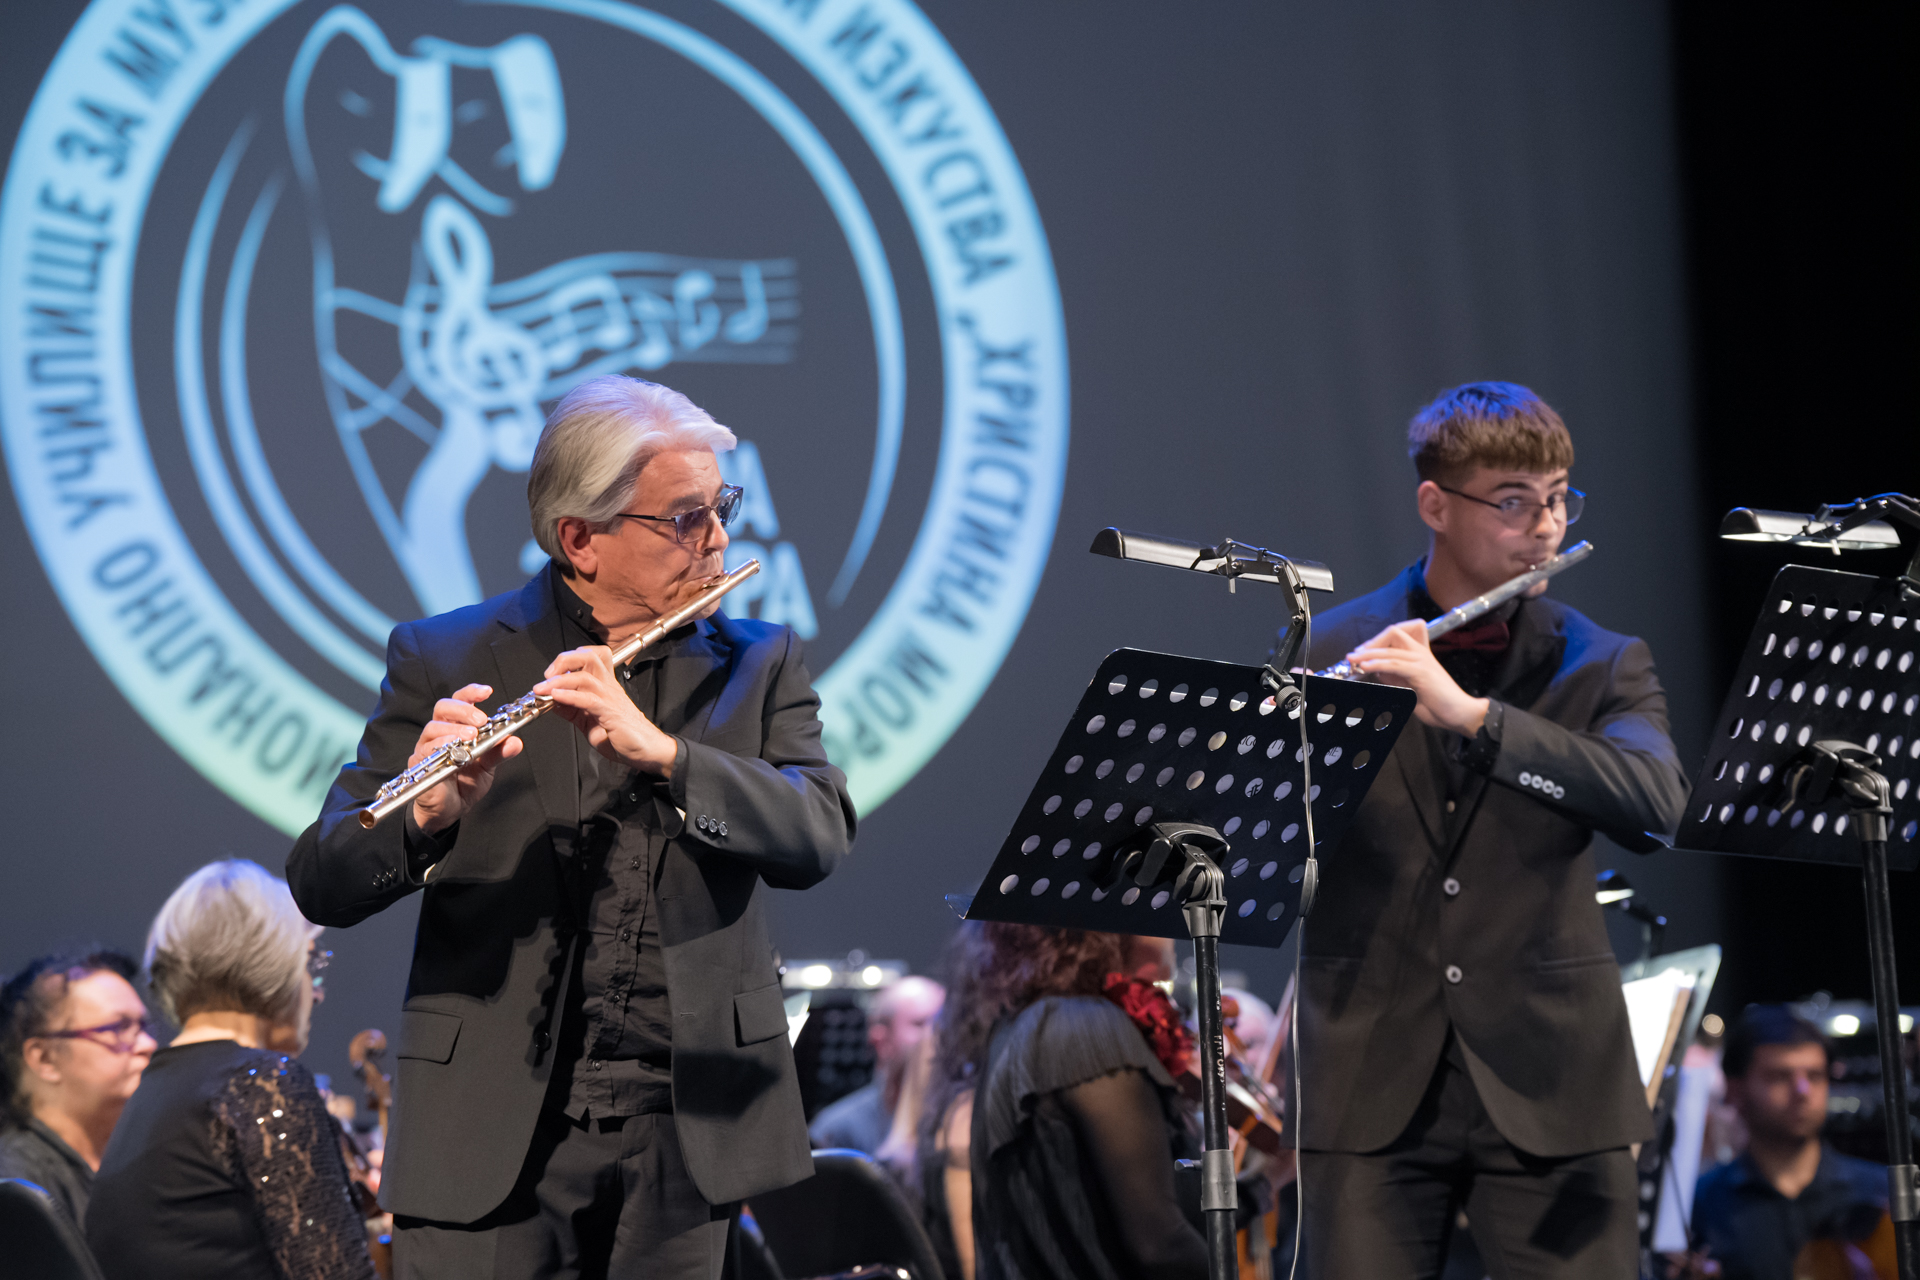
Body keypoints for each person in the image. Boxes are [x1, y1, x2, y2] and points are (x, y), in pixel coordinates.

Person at [289, 375, 856, 1279]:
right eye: (685, 519)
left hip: (687, 1133)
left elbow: (817, 834)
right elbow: (322, 877)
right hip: (489, 1129)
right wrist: (425, 816)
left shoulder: (760, 662)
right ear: (580, 539)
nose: (717, 540)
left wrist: (669, 757)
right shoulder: (446, 654)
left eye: (721, 509)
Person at [1289, 382, 1689, 1277]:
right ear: (1436, 505)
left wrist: (1475, 719)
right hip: (1367, 1079)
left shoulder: (1603, 661)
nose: (1545, 527)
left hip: (1555, 1079)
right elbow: (1271, 846)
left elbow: (1657, 806)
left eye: (1558, 499)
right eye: (1514, 502)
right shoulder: (1327, 648)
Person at [86, 859, 375, 1280]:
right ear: (272, 960)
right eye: (310, 963)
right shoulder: (262, 1083)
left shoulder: (150, 1094)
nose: (317, 993)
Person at [922, 921, 1211, 1280]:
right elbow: (1160, 1246)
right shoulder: (1088, 1030)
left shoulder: (1021, 1025)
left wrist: (1252, 1191)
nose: (1173, 923)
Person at [1689, 1006, 1887, 1279]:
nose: (1803, 1091)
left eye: (1815, 1076)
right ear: (1735, 1090)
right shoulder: (1701, 1205)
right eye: (1780, 1076)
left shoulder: (1881, 1194)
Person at [0, 950, 157, 1230]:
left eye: (142, 1026)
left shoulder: (143, 1160)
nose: (148, 1044)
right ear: (44, 1059)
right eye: (118, 1028)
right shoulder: (17, 1183)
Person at [809, 976, 946, 1154]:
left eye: (942, 1023)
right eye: (920, 1024)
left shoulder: (961, 1118)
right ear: (881, 1038)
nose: (936, 1035)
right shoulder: (837, 1131)